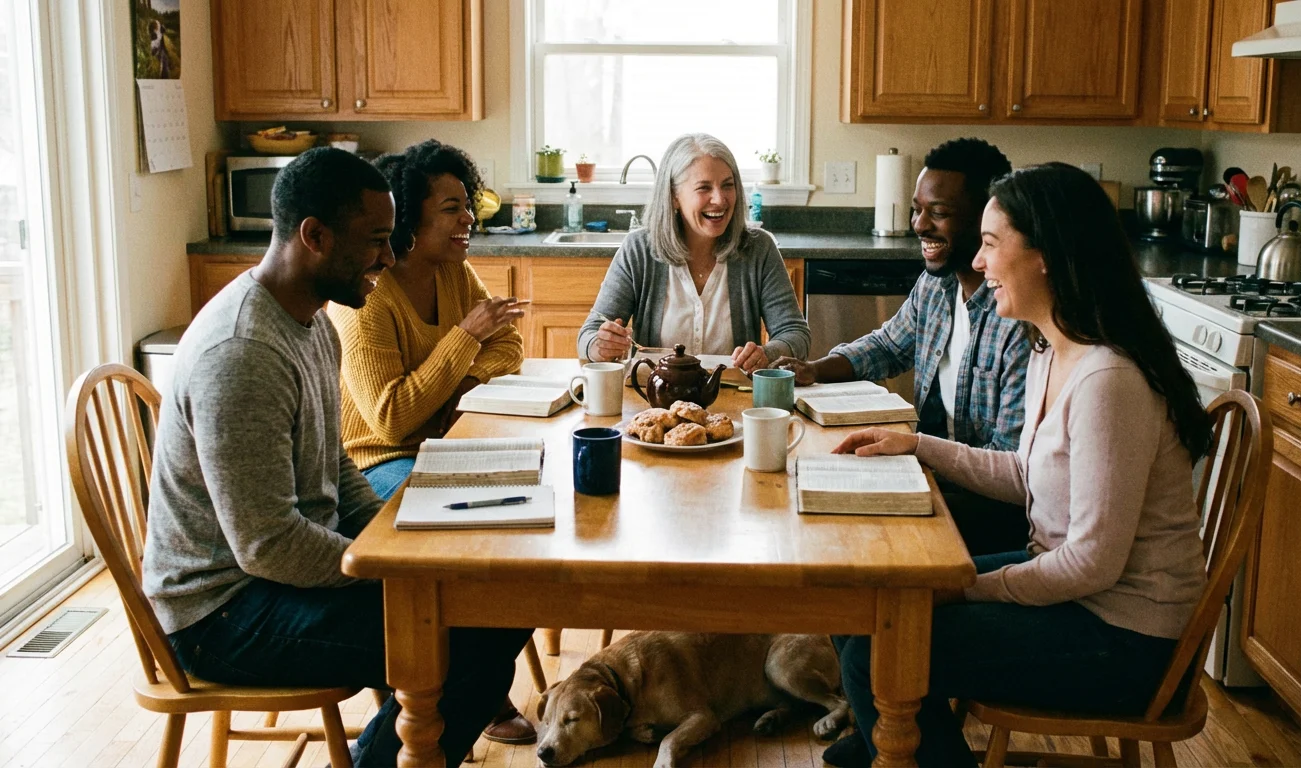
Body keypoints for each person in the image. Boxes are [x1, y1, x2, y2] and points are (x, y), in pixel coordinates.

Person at [140, 147, 531, 767]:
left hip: (276, 576)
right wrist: (390, 570)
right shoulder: (242, 353)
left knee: (495, 606)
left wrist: (398, 541)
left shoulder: (311, 321)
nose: (387, 255)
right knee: (468, 636)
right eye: (376, 240)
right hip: (221, 611)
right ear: (314, 237)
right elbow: (266, 544)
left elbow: (338, 470)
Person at [824, 163, 1213, 768]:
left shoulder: (1107, 379)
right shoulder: (1051, 349)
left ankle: (904, 748)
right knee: (866, 602)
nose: (978, 264)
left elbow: (1092, 563)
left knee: (877, 647)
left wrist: (972, 588)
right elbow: (1023, 474)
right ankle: (898, 745)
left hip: (1125, 640)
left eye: (989, 244)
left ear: (1046, 257)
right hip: (1076, 596)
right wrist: (917, 445)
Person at [327, 139, 533, 745]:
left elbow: (510, 346)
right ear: (410, 219)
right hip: (376, 464)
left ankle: (462, 688)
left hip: (441, 441)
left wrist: (447, 388)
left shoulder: (453, 270)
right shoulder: (370, 298)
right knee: (467, 550)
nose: (469, 217)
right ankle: (451, 698)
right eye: (451, 207)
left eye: (468, 203)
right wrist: (463, 340)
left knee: (520, 532)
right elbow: (390, 420)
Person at [771, 138, 1029, 556]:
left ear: (989, 220)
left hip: (991, 505)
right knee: (810, 494)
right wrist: (814, 369)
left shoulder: (1018, 319)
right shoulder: (936, 285)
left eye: (939, 213)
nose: (919, 225)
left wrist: (913, 458)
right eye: (918, 209)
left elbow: (1012, 469)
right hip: (932, 471)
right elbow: (888, 346)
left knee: (848, 533)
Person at [577, 133, 809, 372]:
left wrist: (767, 354)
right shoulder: (638, 250)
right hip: (654, 402)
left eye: (727, 185)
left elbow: (796, 334)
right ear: (674, 197)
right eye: (704, 188)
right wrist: (600, 345)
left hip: (735, 400)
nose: (719, 199)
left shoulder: (759, 248)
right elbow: (589, 334)